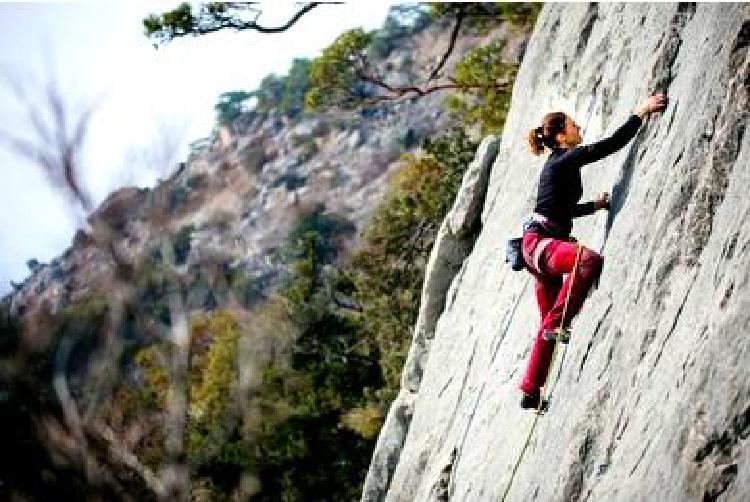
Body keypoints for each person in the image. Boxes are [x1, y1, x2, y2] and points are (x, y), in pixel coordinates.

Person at [519, 92, 668, 409]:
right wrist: (639, 113)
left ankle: (530, 390)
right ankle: (558, 326)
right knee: (586, 261)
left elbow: (561, 210)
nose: (579, 128)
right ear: (561, 136)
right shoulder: (565, 159)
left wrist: (595, 206)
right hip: (539, 246)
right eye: (573, 125)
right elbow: (610, 145)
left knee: (546, 327)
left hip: (537, 249)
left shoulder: (557, 166)